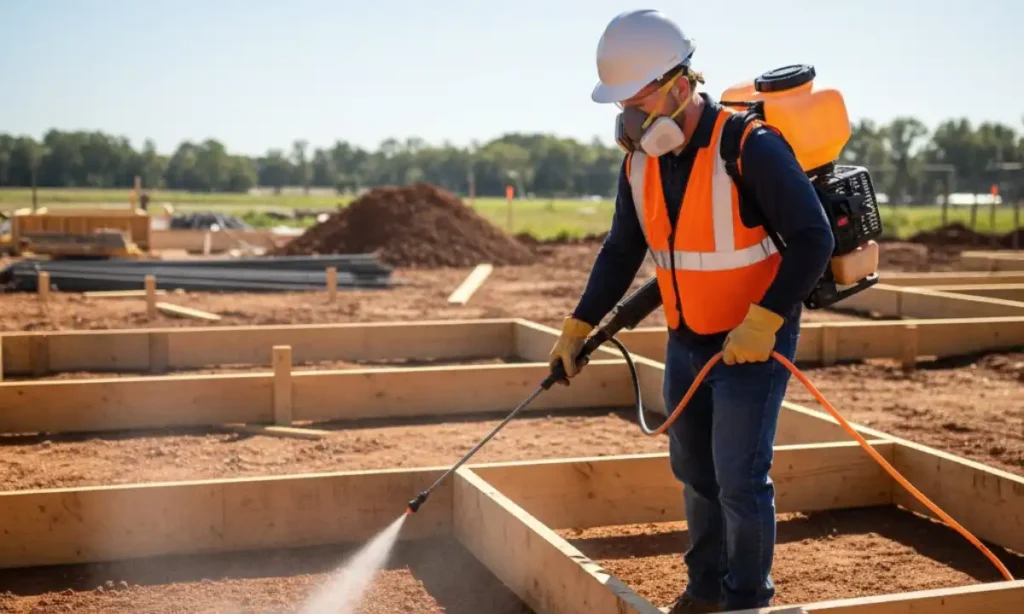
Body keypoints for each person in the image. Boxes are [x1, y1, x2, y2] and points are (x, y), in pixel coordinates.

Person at [549, 9, 835, 613]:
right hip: (687, 340)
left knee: (739, 479)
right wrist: (578, 324)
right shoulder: (639, 162)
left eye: (637, 101)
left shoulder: (749, 146)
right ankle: (705, 587)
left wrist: (766, 320)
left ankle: (745, 599)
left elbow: (814, 238)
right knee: (695, 472)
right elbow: (622, 250)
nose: (629, 118)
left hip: (753, 340)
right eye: (621, 104)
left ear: (679, 85)